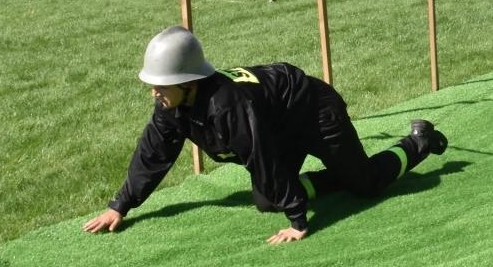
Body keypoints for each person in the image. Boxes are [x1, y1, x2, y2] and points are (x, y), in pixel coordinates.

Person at [82, 26, 451, 245]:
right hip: (276, 125)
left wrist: (298, 221)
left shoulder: (226, 106)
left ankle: (418, 141)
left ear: (188, 81)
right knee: (265, 199)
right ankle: (336, 175)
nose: (155, 92)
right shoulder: (172, 106)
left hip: (314, 112)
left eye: (162, 84)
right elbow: (153, 152)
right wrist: (120, 205)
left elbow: (261, 155)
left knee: (365, 185)